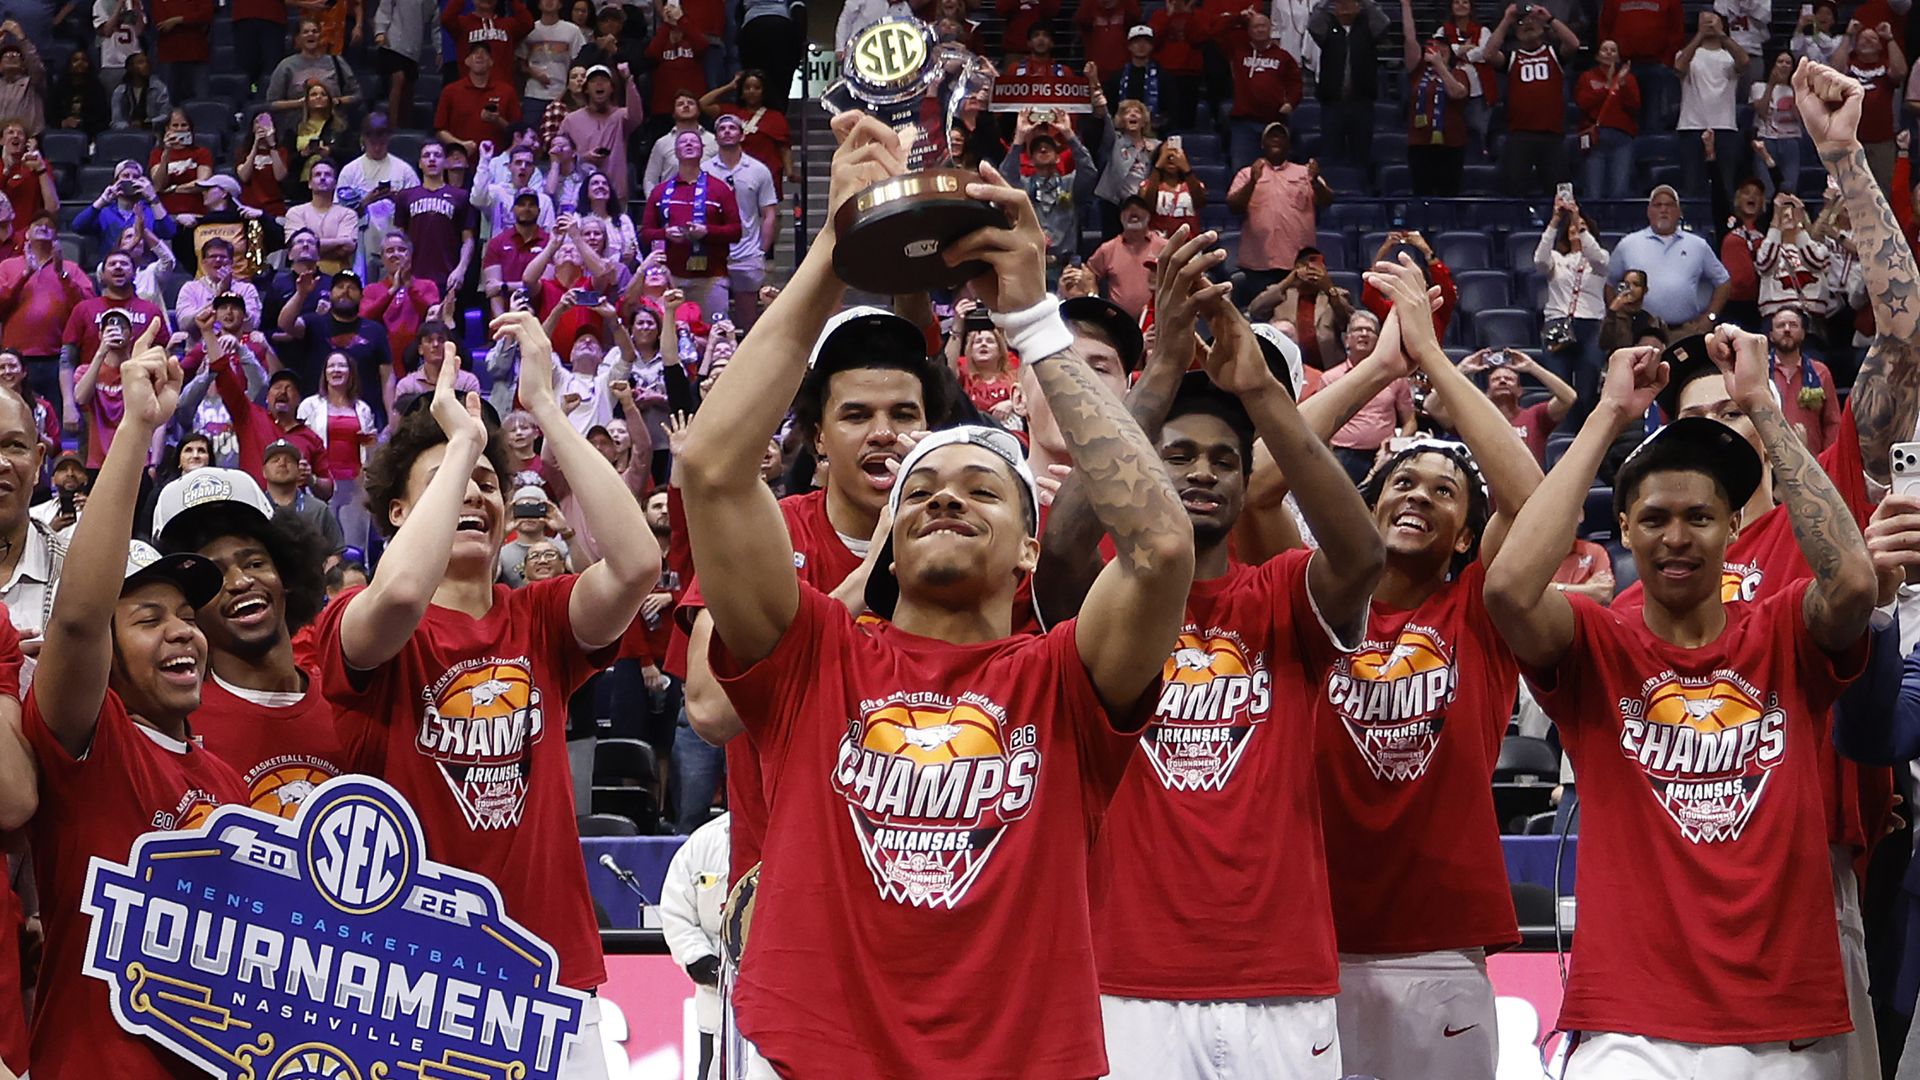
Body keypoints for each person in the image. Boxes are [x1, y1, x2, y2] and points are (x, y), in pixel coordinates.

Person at [677, 111, 1192, 1077]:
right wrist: (834, 250)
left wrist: (1036, 321)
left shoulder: (1063, 681)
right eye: (921, 489)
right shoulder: (817, 654)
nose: (945, 492)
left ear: (1029, 558)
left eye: (982, 488)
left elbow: (1162, 546)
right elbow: (709, 467)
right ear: (886, 542)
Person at [1489, 327, 1873, 1077]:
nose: (1677, 537)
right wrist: (1606, 415)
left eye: (1699, 517)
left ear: (1733, 527)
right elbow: (1505, 589)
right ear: (1623, 527)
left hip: (1784, 1022)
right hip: (1631, 1025)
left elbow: (1855, 584)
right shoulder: (1598, 644)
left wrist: (1761, 403)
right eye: (1655, 518)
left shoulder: (1784, 629)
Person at [1073, 227, 1382, 1079]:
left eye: (1222, 460)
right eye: (1177, 457)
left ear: (1248, 484)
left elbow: (1361, 558)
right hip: (1127, 978)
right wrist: (1162, 371)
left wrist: (1260, 393)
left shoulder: (1280, 594)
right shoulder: (1100, 608)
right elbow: (1064, 548)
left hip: (1281, 978)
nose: (1202, 473)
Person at [313, 310, 656, 1075]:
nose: (476, 490)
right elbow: (401, 595)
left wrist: (546, 411)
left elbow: (636, 565)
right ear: (400, 515)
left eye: (489, 483)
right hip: (411, 982)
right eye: (449, 484)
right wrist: (465, 438)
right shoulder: (361, 621)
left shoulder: (539, 619)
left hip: (550, 972)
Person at [11, 322, 246, 1075]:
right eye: (147, 619)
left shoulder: (227, 785)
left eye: (185, 615)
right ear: (106, 655)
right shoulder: (88, 737)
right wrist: (139, 427)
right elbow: (79, 617)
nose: (181, 632)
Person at [152, 465, 340, 817]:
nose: (239, 582)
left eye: (254, 563)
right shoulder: (174, 724)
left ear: (285, 575)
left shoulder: (346, 706)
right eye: (214, 575)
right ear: (187, 608)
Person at [0, 214, 95, 428]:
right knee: (12, 421)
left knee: (54, 426)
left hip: (58, 360)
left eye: (49, 226)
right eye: (38, 225)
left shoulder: (69, 268)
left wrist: (62, 275)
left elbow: (87, 308)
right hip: (14, 361)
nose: (44, 228)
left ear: (56, 237)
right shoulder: (8, 267)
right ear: (26, 234)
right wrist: (25, 274)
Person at [1227, 121, 1330, 306]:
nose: (1276, 140)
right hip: (1258, 266)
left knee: (1293, 320)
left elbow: (1327, 201)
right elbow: (1234, 207)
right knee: (1258, 318)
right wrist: (1252, 182)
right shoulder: (1247, 173)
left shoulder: (1305, 172)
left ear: (1289, 145)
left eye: (1280, 136)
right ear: (1262, 144)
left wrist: (1315, 181)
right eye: (1271, 136)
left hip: (1298, 266)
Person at [642, 130, 741, 320]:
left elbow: (736, 231)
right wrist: (665, 234)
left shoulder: (719, 189)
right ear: (676, 152)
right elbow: (646, 233)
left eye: (694, 142)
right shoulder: (660, 192)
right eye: (683, 142)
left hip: (711, 278)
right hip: (670, 278)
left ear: (702, 150)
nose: (689, 144)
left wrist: (707, 232)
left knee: (714, 333)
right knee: (672, 334)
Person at [1304, 309, 1412, 483]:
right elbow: (1319, 423)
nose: (1364, 334)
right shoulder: (1330, 378)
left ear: (1379, 340)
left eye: (1370, 330)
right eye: (1358, 330)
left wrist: (1395, 445)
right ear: (1347, 339)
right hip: (1342, 456)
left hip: (1383, 455)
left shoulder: (1395, 377)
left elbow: (1410, 421)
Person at [278, 269, 395, 428]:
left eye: (352, 288)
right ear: (330, 293)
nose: (345, 291)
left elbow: (387, 378)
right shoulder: (314, 323)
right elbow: (284, 323)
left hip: (364, 416)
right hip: (317, 416)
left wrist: (391, 417)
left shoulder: (375, 330)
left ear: (361, 296)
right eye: (340, 286)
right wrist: (301, 294)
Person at [661, 811, 730, 1080]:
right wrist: (703, 962)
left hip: (786, 1015)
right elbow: (677, 914)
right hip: (716, 1010)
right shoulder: (704, 842)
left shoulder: (798, 838)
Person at [1484, 1, 1579, 195]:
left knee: (1560, 195)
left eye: (1532, 21)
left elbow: (1574, 43)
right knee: (1514, 190)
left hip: (1551, 135)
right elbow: (1488, 54)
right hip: (1520, 135)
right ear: (1516, 32)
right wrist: (1506, 19)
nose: (1527, 25)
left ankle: (1559, 226)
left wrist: (1550, 18)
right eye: (1522, 23)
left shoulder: (1553, 53)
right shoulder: (1512, 57)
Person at [1609, 184, 1732, 331]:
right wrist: (1619, 318)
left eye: (1669, 205)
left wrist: (1710, 317)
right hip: (1640, 331)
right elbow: (1609, 283)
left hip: (1685, 331)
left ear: (1679, 211)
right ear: (1649, 211)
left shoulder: (1698, 245)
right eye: (1658, 205)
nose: (1663, 210)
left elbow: (1723, 281)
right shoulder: (1628, 244)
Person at [296, 351, 379, 551]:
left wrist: (371, 443)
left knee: (354, 546)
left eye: (341, 366)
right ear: (324, 374)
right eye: (331, 366)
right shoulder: (310, 405)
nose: (336, 370)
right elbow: (299, 442)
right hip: (321, 483)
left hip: (354, 484)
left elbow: (369, 448)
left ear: (350, 373)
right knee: (322, 544)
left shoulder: (363, 408)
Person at [703, 113, 777, 329]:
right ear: (715, 137)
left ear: (742, 135)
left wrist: (761, 250)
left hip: (747, 254)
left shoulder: (758, 170)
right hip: (715, 255)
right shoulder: (705, 171)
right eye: (722, 129)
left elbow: (769, 213)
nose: (727, 131)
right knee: (714, 317)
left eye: (732, 128)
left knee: (748, 316)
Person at [1537, 197, 1610, 415]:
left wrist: (1579, 220)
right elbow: (1539, 261)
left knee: (1587, 390)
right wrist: (1555, 220)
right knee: (1560, 390)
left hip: (1590, 327)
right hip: (1557, 325)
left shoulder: (1600, 260)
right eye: (1571, 228)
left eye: (1580, 229)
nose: (1575, 231)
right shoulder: (1556, 259)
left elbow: (1599, 259)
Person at [381, 141, 477, 297]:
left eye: (437, 155)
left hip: (448, 276)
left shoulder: (461, 196)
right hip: (412, 276)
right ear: (419, 163)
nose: (432, 159)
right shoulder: (405, 196)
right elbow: (399, 238)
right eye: (426, 156)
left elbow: (468, 240)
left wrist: (461, 269)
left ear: (445, 163)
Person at [1461, 347, 1579, 464]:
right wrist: (1461, 369)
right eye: (1496, 379)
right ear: (1487, 392)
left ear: (1520, 391)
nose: (1502, 381)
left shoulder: (1535, 416)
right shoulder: (1475, 419)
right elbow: (1442, 412)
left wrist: (1532, 367)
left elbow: (1569, 397)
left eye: (1509, 379)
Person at [1308, 0, 1389, 169]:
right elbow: (1313, 23)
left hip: (1362, 104)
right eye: (1341, 3)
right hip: (1332, 105)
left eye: (1349, 2)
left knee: (1361, 157)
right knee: (1331, 156)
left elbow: (1384, 22)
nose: (1344, 7)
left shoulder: (1368, 27)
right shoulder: (1328, 28)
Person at [338, 113, 422, 277]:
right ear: (363, 139)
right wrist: (366, 201)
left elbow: (417, 208)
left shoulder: (404, 170)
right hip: (363, 242)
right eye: (372, 143)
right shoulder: (350, 171)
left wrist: (397, 200)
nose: (377, 148)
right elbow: (339, 213)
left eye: (381, 143)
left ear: (389, 139)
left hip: (395, 241)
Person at [1677, 11, 1749, 198]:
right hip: (1691, 127)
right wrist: (1699, 35)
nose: (1708, 23)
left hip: (1724, 127)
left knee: (1724, 185)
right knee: (1692, 185)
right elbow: (1679, 67)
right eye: (1703, 20)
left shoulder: (1729, 56)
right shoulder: (1688, 53)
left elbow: (1744, 62)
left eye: (1712, 20)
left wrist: (1722, 35)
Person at [362, 231, 441, 367]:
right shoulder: (371, 290)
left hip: (420, 359)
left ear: (410, 256)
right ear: (382, 258)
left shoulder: (427, 286)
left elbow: (431, 317)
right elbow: (365, 318)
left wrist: (410, 287)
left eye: (402, 250)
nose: (396, 254)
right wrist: (392, 291)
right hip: (383, 360)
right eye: (390, 250)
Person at [1577, 40, 1643, 199]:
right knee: (1593, 191)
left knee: (1619, 190)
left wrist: (1623, 85)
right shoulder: (1587, 77)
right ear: (1598, 55)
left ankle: (1617, 222)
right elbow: (1583, 102)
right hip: (1595, 138)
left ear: (1618, 57)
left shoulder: (1628, 79)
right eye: (1604, 50)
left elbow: (1635, 105)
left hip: (1622, 138)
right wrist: (1608, 87)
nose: (1608, 53)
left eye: (1613, 50)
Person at [436, 42, 522, 159]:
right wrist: (461, 145)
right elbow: (440, 131)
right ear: (467, 61)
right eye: (474, 53)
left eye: (484, 53)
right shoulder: (450, 91)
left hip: (496, 163)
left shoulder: (507, 91)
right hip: (460, 161)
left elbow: (518, 132)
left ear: (491, 62)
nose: (479, 55)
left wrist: (498, 120)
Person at [72, 160, 174, 257]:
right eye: (125, 176)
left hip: (145, 268)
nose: (130, 180)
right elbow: (77, 226)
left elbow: (169, 232)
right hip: (113, 265)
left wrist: (153, 197)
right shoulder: (104, 212)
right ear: (116, 182)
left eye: (136, 177)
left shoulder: (151, 211)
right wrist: (102, 200)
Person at [1087, 194, 1163, 319]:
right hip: (1119, 323)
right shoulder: (1107, 249)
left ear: (1149, 216)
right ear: (1120, 217)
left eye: (1140, 207)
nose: (1133, 212)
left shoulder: (1164, 247)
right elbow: (1088, 276)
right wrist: (1096, 302)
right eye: (1127, 209)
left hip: (1156, 321)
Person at [284, 159, 359, 277]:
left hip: (338, 278)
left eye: (328, 175)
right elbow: (295, 248)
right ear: (309, 183)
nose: (323, 178)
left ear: (335, 183)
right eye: (318, 175)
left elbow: (348, 247)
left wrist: (311, 247)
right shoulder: (295, 212)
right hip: (301, 275)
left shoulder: (348, 214)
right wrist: (340, 241)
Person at [266, 18, 360, 110]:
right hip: (297, 122)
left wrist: (335, 101)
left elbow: (357, 96)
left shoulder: (336, 61)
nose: (311, 34)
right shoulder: (286, 65)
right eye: (305, 32)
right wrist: (301, 103)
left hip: (333, 119)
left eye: (315, 31)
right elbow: (272, 103)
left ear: (320, 36)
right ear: (298, 38)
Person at [641, 89, 720, 195]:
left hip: (707, 203)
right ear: (673, 113)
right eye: (680, 104)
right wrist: (654, 203)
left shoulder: (713, 140)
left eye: (691, 103)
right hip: (670, 204)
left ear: (699, 111)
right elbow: (650, 178)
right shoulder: (662, 143)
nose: (686, 106)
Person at [372, 0, 439, 126]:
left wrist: (439, 49)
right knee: (398, 78)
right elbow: (385, 7)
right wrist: (380, 31)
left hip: (413, 45)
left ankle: (404, 127)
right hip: (392, 42)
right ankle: (392, 126)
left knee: (408, 89)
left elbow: (431, 17)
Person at [521, 0, 585, 108]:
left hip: (563, 93)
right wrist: (533, 72)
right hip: (533, 94)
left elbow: (580, 62)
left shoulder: (572, 30)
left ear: (560, 4)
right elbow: (520, 62)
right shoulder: (529, 30)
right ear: (539, 4)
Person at [109, 51, 169, 132]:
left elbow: (165, 114)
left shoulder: (159, 87)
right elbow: (116, 120)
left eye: (147, 62)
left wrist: (146, 124)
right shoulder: (120, 91)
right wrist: (130, 127)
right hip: (127, 132)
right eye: (141, 62)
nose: (146, 65)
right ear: (130, 68)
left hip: (153, 130)